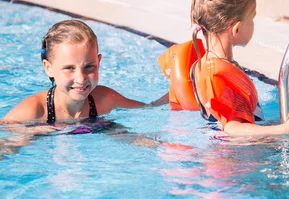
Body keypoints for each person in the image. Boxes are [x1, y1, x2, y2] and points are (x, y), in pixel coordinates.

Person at [161, 0, 289, 136]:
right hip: (237, 157)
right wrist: (284, 129)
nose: (254, 24)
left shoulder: (199, 65)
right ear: (237, 29)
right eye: (252, 19)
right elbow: (232, 128)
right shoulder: (219, 74)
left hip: (225, 151)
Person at [1, 20, 168, 124]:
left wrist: (175, 93)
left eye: (89, 67)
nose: (81, 78)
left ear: (99, 62)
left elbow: (148, 108)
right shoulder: (34, 110)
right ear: (48, 68)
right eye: (69, 68)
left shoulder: (104, 99)